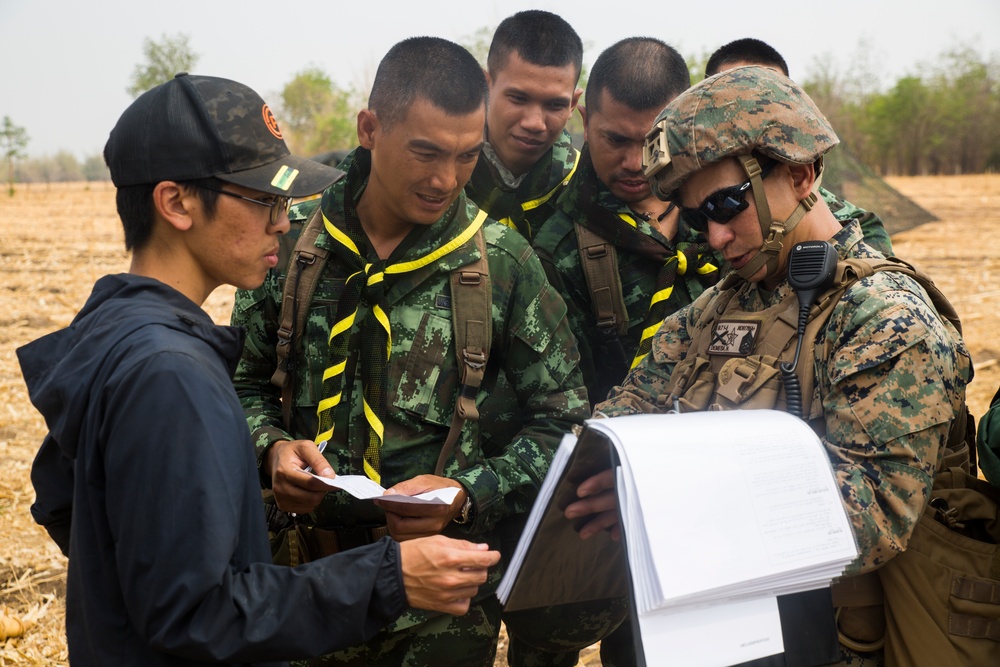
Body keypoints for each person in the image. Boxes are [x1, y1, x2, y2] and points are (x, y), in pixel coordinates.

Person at [18, 73, 501, 667]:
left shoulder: (115, 331)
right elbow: (194, 614)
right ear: (176, 202)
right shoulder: (171, 374)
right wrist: (389, 577)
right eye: (263, 200)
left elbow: (62, 500)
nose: (282, 221)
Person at [565, 65, 972, 666]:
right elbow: (629, 413)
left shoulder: (885, 320)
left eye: (729, 205)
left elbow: (868, 517)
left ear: (801, 173)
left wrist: (667, 506)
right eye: (700, 218)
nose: (718, 237)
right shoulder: (719, 305)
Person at [230, 38, 588, 666]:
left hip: (438, 617)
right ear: (369, 129)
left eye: (466, 156)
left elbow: (563, 423)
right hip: (296, 588)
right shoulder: (291, 244)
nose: (444, 179)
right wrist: (270, 447)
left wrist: (469, 491)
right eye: (425, 152)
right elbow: (243, 380)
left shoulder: (502, 265)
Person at [705, 37, 895, 257]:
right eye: (733, 103)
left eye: (770, 99)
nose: (754, 118)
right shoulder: (688, 217)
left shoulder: (853, 226)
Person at [463, 9, 584, 242]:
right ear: (484, 87)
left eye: (555, 104)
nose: (535, 123)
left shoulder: (587, 187)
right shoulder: (443, 176)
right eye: (518, 98)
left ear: (573, 104)